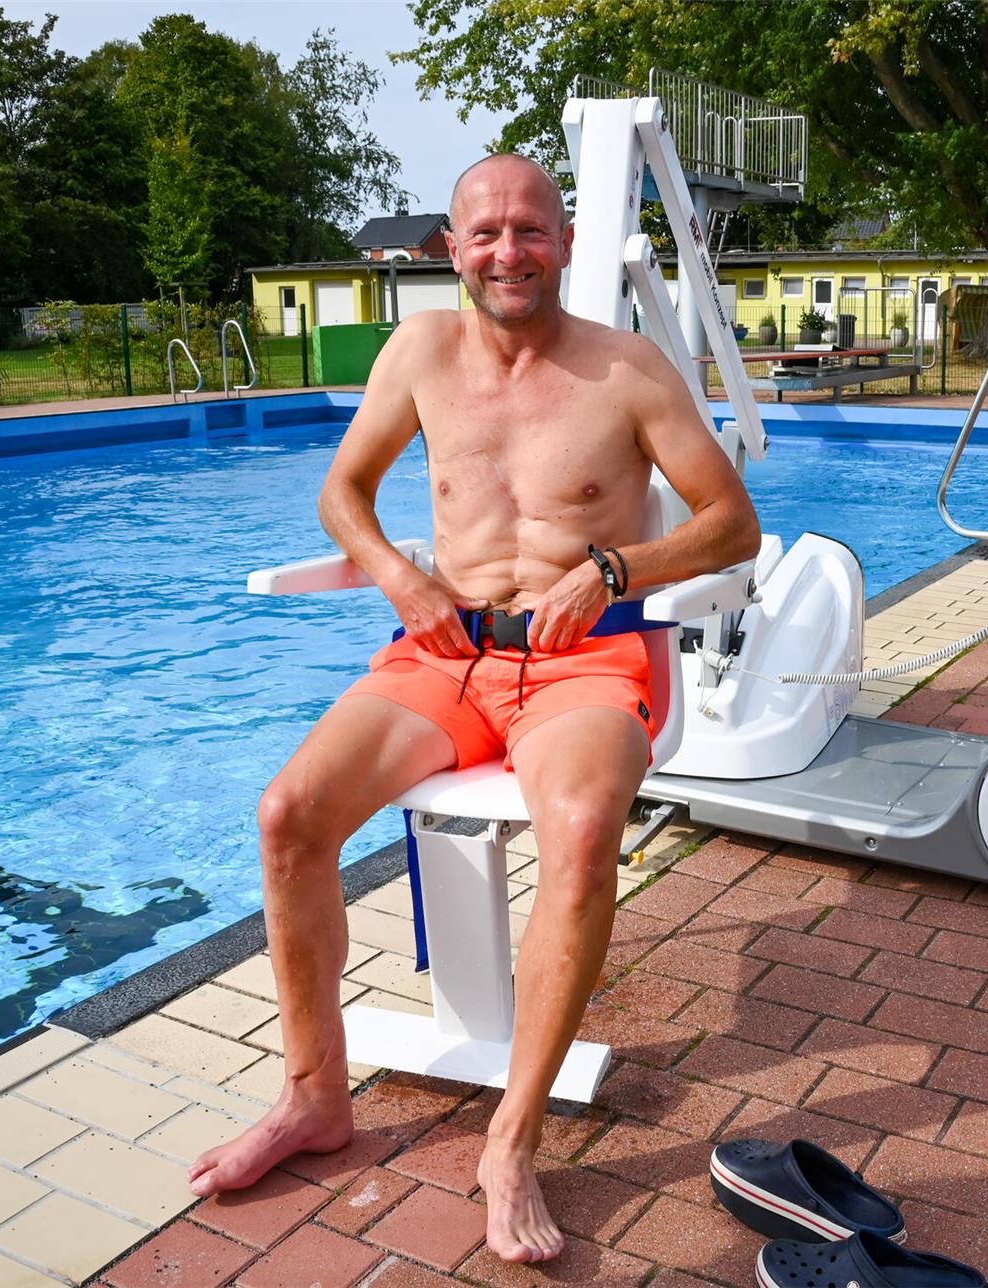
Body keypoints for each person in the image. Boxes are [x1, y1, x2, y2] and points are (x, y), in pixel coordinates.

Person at [188, 153, 760, 1262]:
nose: (509, 252)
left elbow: (730, 521)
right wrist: (401, 578)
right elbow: (341, 493)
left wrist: (617, 568)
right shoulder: (421, 353)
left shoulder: (627, 369)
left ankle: (512, 1136)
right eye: (486, 233)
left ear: (563, 241)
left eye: (531, 230)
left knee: (584, 834)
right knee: (287, 816)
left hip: (586, 658)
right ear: (449, 248)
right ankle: (315, 1095)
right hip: (443, 651)